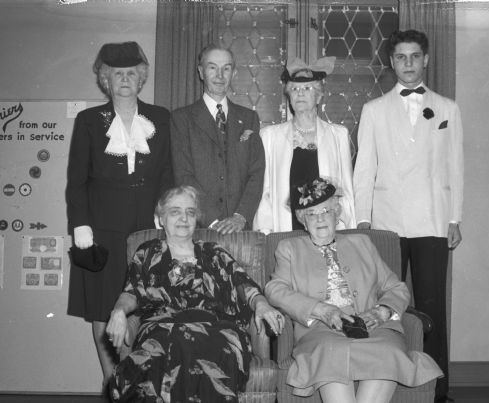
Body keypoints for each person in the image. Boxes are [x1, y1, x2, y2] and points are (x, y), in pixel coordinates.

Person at [353, 29, 463, 403]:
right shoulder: (373, 110)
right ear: (392, 62)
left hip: (432, 221)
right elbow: (363, 169)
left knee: (433, 305)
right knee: (385, 306)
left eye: (415, 56)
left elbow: (455, 168)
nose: (409, 64)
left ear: (426, 59)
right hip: (386, 222)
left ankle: (437, 390)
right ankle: (387, 382)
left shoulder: (448, 109)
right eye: (401, 57)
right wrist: (362, 221)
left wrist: (454, 218)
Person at [265, 177, 442, 403]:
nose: (320, 218)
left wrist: (381, 312)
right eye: (312, 213)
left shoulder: (362, 243)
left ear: (336, 213)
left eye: (326, 211)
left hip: (373, 328)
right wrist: (321, 310)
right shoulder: (289, 248)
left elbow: (395, 287)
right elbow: (275, 289)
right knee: (330, 352)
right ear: (303, 219)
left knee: (387, 352)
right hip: (321, 331)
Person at [105, 185, 283, 402]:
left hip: (216, 328)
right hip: (163, 326)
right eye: (175, 211)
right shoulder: (147, 252)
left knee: (204, 345)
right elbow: (131, 292)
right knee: (167, 343)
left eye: (190, 212)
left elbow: (246, 285)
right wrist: (118, 311)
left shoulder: (214, 252)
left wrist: (262, 304)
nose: (184, 218)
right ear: (161, 218)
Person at [66, 41, 173, 388]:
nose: (124, 80)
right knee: (103, 308)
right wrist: (80, 226)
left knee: (142, 307)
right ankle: (113, 381)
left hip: (147, 229)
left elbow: (168, 176)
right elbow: (76, 181)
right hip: (102, 231)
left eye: (131, 73)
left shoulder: (160, 117)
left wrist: (167, 220)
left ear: (141, 78)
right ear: (105, 79)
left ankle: (139, 382)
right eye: (116, 74)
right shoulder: (88, 121)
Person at [253, 57, 355, 233]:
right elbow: (265, 193)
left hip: (327, 228)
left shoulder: (338, 134)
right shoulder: (269, 136)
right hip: (286, 228)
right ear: (289, 96)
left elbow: (346, 191)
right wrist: (265, 233)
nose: (300, 93)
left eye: (307, 88)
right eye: (294, 89)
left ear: (318, 96)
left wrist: (349, 230)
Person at [170, 44, 264, 235]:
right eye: (212, 67)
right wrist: (212, 220)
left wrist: (240, 216)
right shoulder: (181, 119)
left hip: (241, 230)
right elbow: (183, 174)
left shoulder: (248, 118)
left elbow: (256, 172)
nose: (220, 75)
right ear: (201, 72)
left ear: (233, 73)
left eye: (226, 68)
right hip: (200, 227)